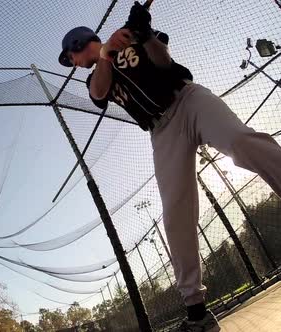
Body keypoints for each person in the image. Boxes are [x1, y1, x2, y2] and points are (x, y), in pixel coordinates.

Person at [57, 2, 281, 332]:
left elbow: (164, 61)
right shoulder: (95, 74)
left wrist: (144, 34)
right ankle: (197, 313)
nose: (72, 64)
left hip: (188, 100)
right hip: (161, 132)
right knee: (175, 212)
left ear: (78, 45)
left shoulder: (131, 36)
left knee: (241, 142)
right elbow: (99, 92)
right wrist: (106, 52)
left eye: (70, 57)